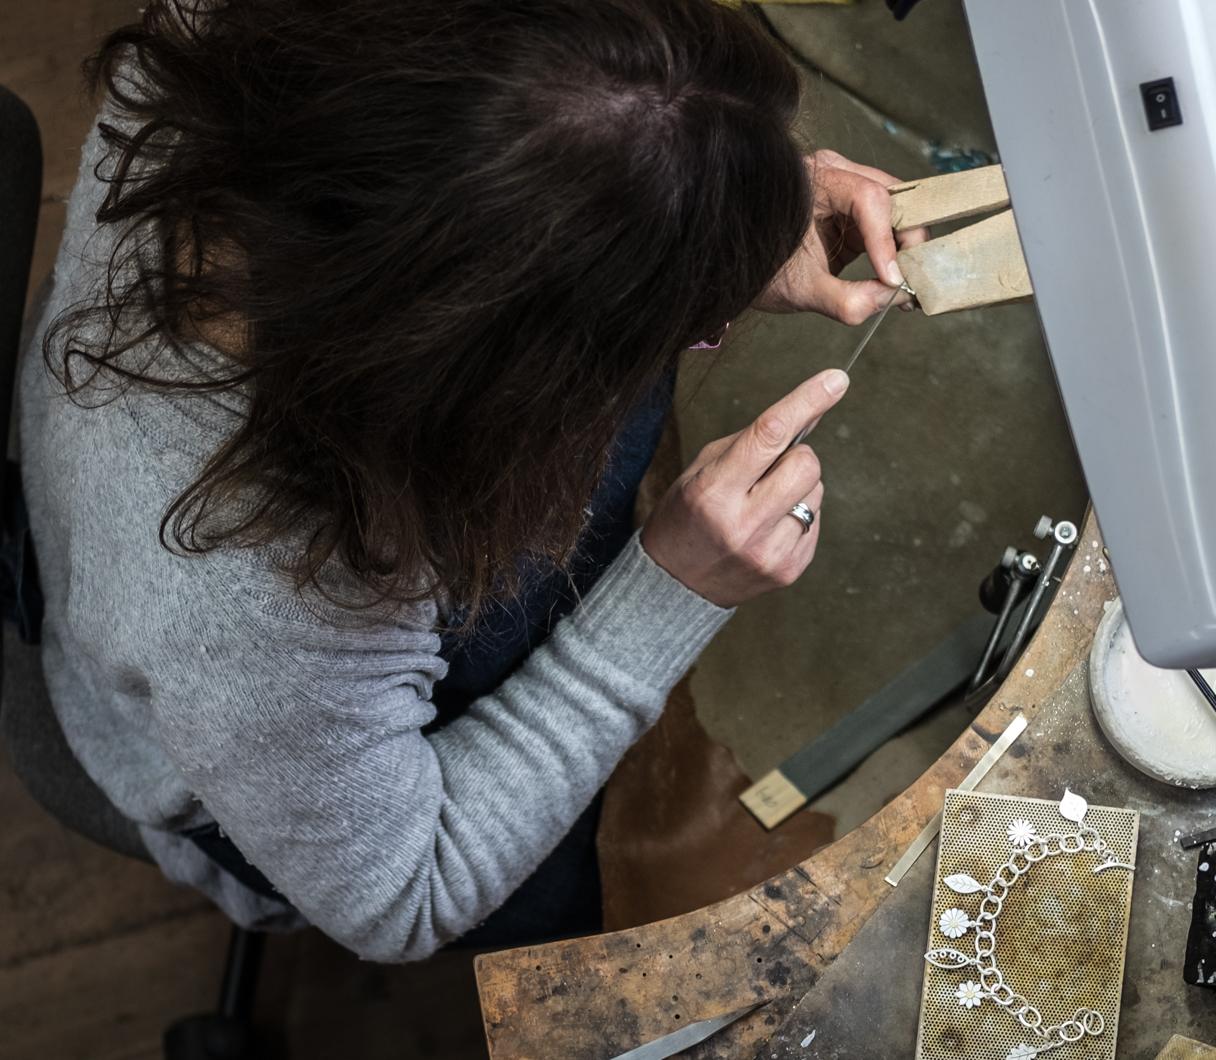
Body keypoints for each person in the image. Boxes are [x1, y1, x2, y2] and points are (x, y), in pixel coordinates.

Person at [18, 0, 920, 959]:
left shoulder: (237, 33)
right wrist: (669, 591)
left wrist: (728, 186)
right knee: (662, 894)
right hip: (268, 755)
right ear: (499, 369)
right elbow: (408, 895)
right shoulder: (258, 594)